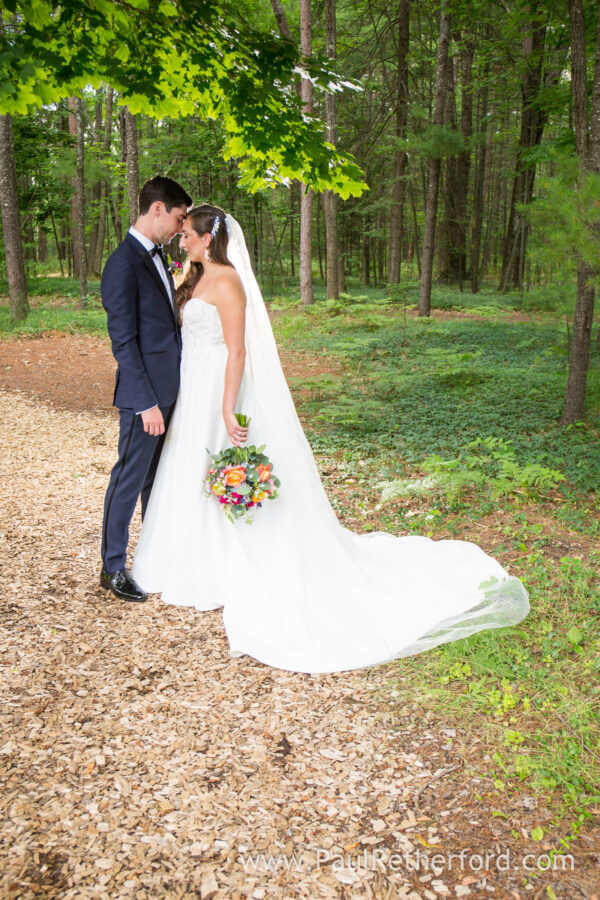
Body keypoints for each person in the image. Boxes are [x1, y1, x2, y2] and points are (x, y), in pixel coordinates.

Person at [131, 206, 529, 673]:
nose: (181, 241)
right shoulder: (193, 277)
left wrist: (227, 406)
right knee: (189, 469)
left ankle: (227, 566)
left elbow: (237, 351)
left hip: (220, 388)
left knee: (218, 465)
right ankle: (190, 560)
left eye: (187, 235)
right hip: (193, 387)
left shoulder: (229, 282)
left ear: (207, 238)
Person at [100, 175, 192, 602]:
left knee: (157, 479)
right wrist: (145, 403)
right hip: (146, 398)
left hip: (172, 392)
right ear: (157, 209)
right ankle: (112, 567)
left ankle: (154, 558)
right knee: (129, 478)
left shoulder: (159, 257)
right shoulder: (122, 263)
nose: (180, 228)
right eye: (178, 218)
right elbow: (124, 342)